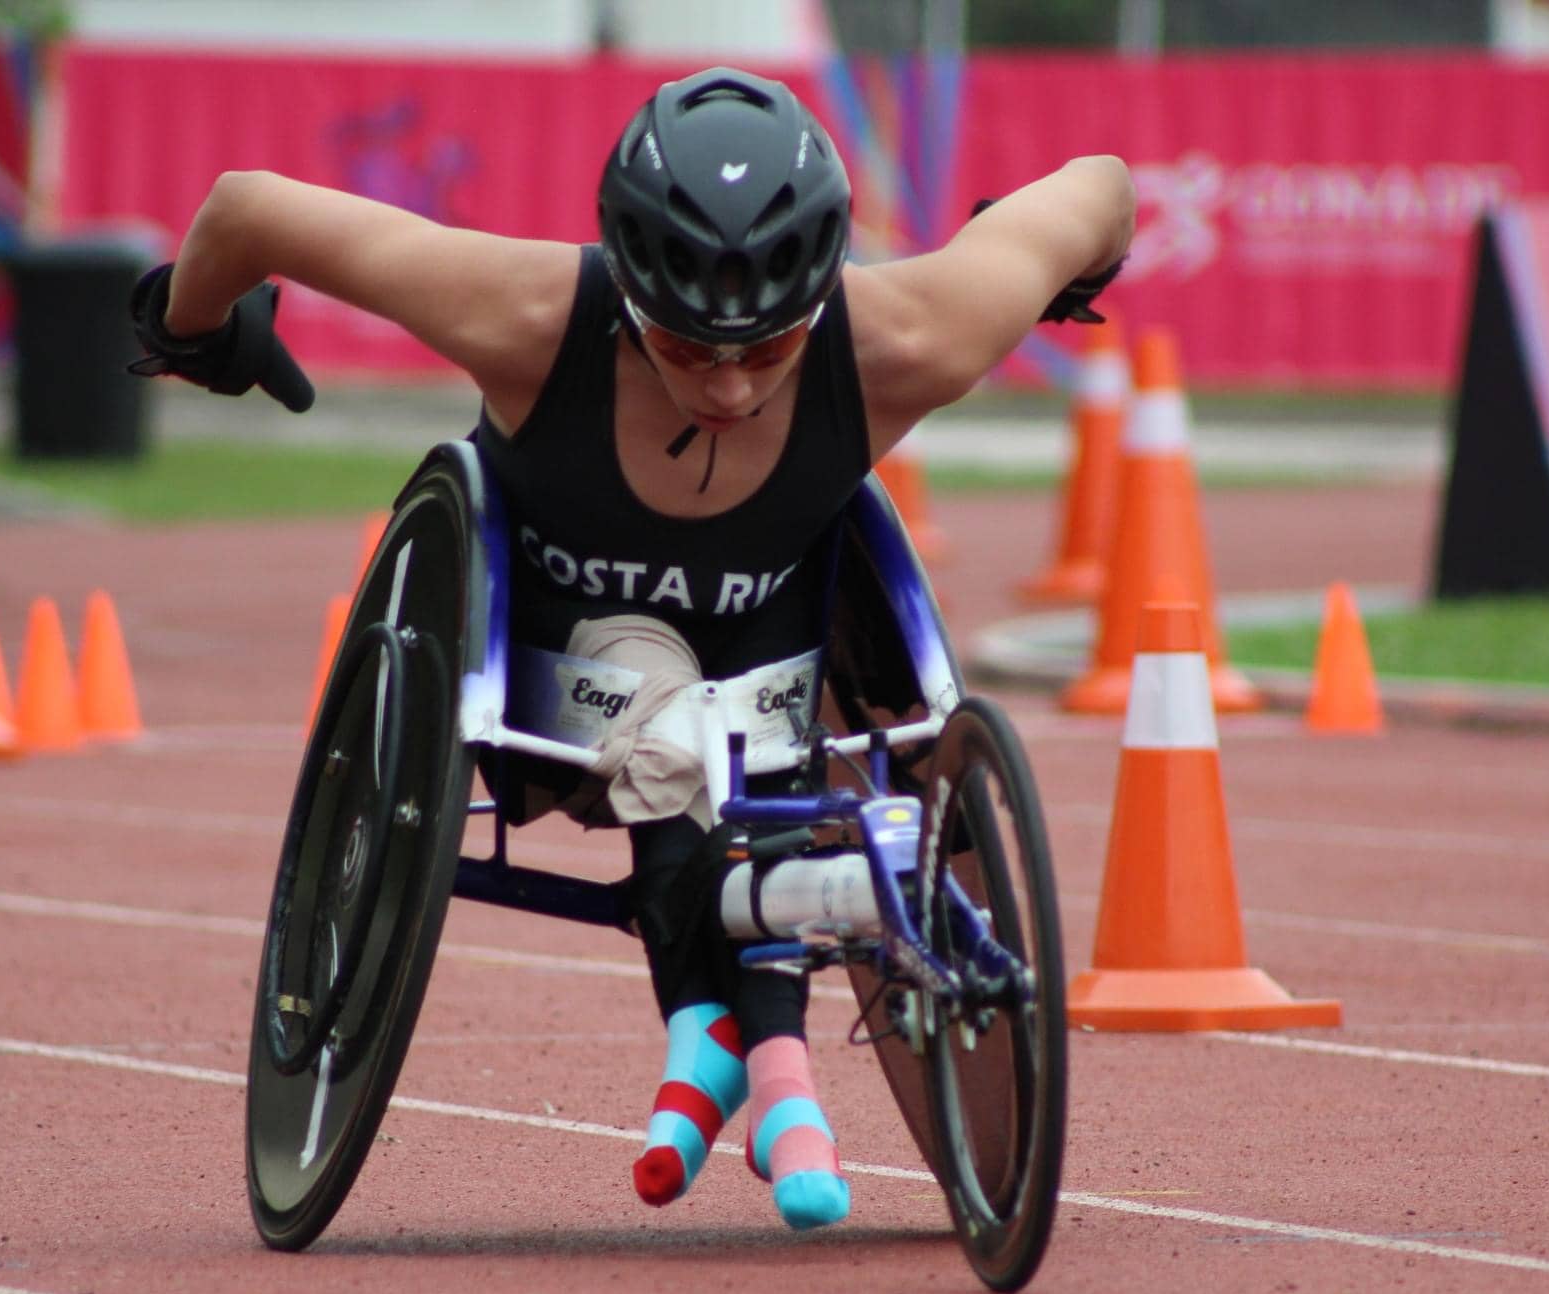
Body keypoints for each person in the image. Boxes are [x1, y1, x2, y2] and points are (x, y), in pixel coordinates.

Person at [130, 66, 1134, 1231]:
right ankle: (750, 1052)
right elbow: (246, 206)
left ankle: (728, 1034)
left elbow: (1100, 187)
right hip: (559, 671)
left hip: (782, 663)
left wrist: (1044, 264)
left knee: (730, 731)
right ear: (625, 292)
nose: (725, 383)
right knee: (668, 715)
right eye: (684, 345)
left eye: (765, 351)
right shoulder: (527, 314)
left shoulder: (914, 337)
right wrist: (192, 328)